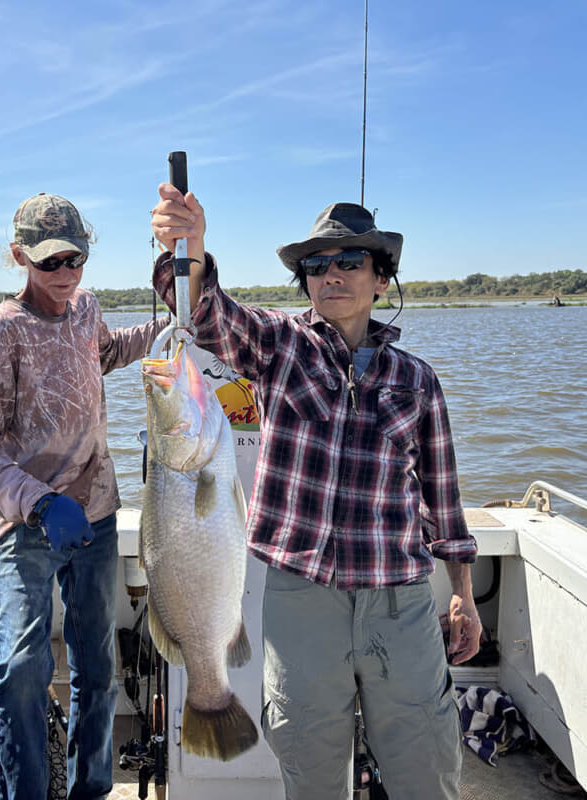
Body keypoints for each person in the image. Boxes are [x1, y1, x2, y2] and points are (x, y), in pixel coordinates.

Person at [149, 185, 481, 799]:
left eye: (349, 262)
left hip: (399, 602)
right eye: (316, 265)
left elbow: (443, 497)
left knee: (425, 766)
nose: (331, 275)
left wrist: (461, 593)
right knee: (308, 763)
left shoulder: (417, 380)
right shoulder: (280, 348)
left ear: (381, 280)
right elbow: (203, 313)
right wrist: (189, 246)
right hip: (301, 598)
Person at [0, 192, 169, 799]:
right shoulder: (3, 330)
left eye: (76, 258)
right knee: (23, 668)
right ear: (20, 257)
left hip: (96, 517)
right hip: (27, 522)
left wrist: (170, 322)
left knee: (96, 670)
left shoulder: (85, 308)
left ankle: (90, 790)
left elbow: (105, 353)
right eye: (50, 263)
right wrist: (40, 503)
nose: (66, 274)